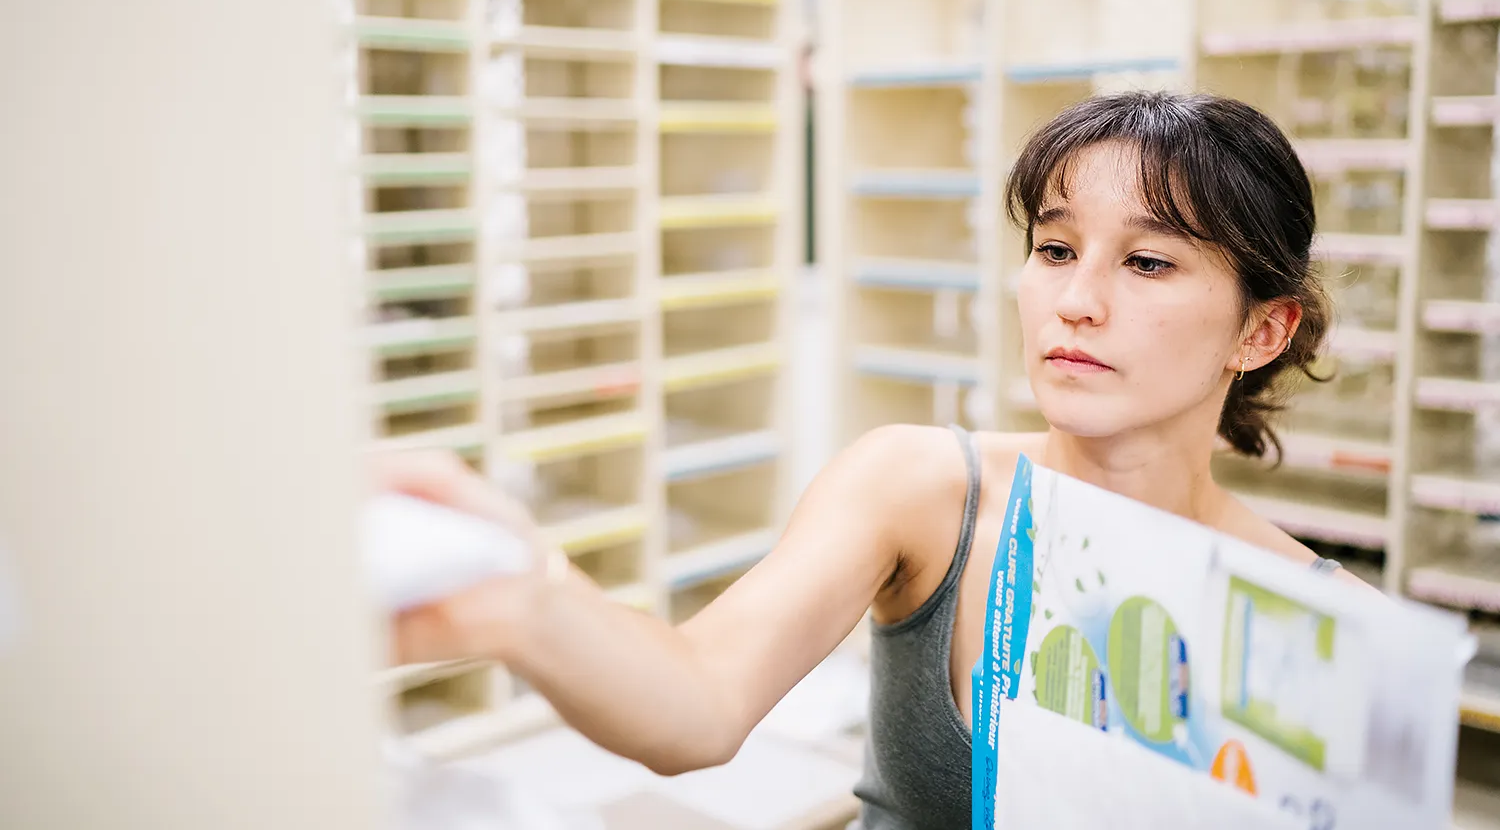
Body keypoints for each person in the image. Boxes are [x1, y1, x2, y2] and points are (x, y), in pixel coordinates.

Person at [376, 90, 1368, 830]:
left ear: (1262, 329)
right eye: (1057, 249)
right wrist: (532, 594)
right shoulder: (924, 486)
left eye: (1147, 262)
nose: (1076, 300)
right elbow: (698, 705)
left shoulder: (1300, 611)